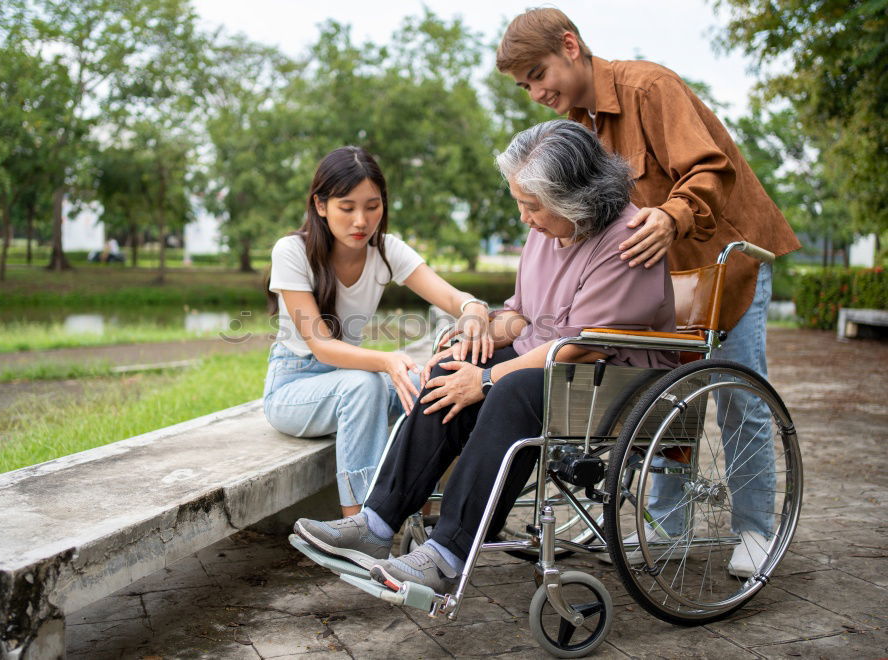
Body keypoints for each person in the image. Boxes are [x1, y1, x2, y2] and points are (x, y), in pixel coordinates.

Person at [294, 120, 678, 591]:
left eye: (531, 206)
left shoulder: (625, 240)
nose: (523, 218)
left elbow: (584, 343)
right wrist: (478, 330)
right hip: (552, 365)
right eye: (520, 202)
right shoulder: (548, 228)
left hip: (609, 378)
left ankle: (447, 552)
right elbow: (523, 317)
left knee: (507, 387)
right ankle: (376, 523)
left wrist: (488, 379)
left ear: (574, 200)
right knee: (450, 367)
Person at [494, 7, 802, 577]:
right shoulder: (576, 133)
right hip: (649, 288)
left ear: (570, 46)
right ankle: (666, 526)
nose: (535, 91)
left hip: (720, 267)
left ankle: (757, 530)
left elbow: (712, 169)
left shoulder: (649, 88)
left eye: (539, 74)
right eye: (524, 85)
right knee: (658, 396)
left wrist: (671, 215)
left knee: (739, 399)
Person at [264, 146, 493, 518]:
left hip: (351, 380)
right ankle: (360, 523)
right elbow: (321, 345)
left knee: (438, 385)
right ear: (320, 205)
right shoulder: (292, 251)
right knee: (363, 384)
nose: (361, 220)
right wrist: (387, 361)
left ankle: (437, 508)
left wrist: (472, 310)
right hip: (293, 388)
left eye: (372, 206)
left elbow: (453, 296)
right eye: (347, 207)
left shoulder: (386, 251)